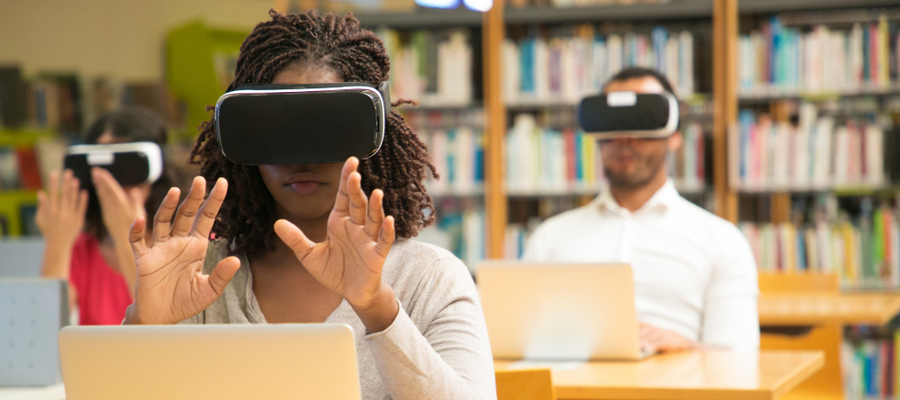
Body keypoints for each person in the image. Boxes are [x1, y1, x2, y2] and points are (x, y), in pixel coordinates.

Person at [122, 10, 496, 400]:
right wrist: (145, 326)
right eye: (279, 130)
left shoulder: (429, 279)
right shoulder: (201, 280)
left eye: (326, 130)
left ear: (369, 134)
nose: (303, 159)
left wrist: (377, 308)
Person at [523, 67, 760, 353]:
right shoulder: (550, 237)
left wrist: (686, 346)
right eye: (613, 124)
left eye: (643, 121)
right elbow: (518, 339)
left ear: (674, 135)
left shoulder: (721, 241)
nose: (625, 137)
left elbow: (740, 358)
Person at [36, 107, 173, 325]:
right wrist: (57, 245)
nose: (114, 183)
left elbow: (164, 331)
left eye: (126, 168)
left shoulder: (185, 242)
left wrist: (128, 239)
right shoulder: (83, 250)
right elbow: (43, 331)